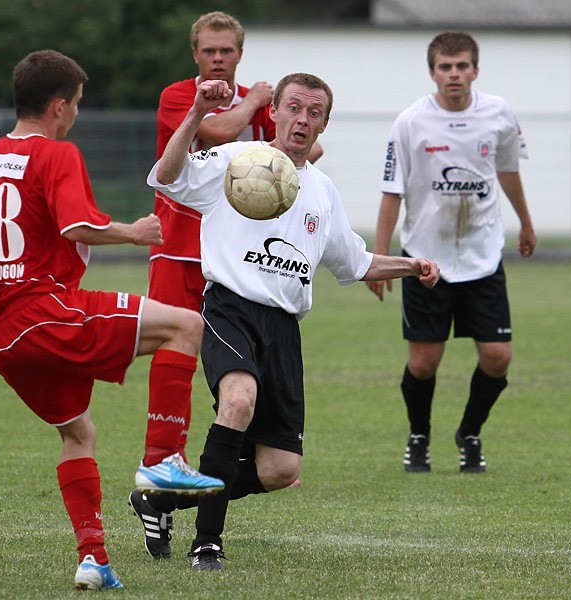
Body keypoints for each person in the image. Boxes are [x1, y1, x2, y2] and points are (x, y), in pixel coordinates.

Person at [0, 50, 224, 591]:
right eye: (77, 105)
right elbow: (77, 226)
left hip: (0, 337)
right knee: (185, 325)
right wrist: (133, 232)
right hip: (45, 312)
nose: (78, 115)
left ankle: (93, 559)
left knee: (78, 432)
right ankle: (164, 458)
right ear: (58, 106)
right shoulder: (55, 155)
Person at [138, 74, 440, 571]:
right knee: (238, 401)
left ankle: (163, 502)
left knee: (279, 469)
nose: (303, 119)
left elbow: (355, 262)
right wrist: (196, 115)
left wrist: (411, 265)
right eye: (294, 108)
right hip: (230, 309)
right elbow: (167, 177)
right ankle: (206, 544)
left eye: (314, 112)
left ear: (324, 123)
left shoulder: (321, 190)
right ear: (273, 112)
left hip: (283, 329)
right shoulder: (237, 160)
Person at [148, 10, 323, 464]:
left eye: (227, 50)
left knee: (237, 361)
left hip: (236, 255)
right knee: (176, 352)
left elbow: (309, 149)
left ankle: (245, 449)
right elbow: (218, 129)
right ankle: (164, 456)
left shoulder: (265, 103)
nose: (218, 58)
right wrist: (251, 105)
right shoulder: (180, 96)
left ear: (240, 54)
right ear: (195, 54)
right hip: (178, 248)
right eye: (209, 50)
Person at [365, 31, 536, 474]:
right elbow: (391, 193)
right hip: (426, 260)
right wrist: (379, 262)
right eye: (446, 66)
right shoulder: (409, 122)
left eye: (462, 66)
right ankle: (418, 434)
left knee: (498, 357)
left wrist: (526, 222)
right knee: (424, 362)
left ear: (475, 70)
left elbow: (508, 170)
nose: (454, 74)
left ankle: (470, 432)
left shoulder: (498, 115)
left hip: (482, 255)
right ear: (433, 72)